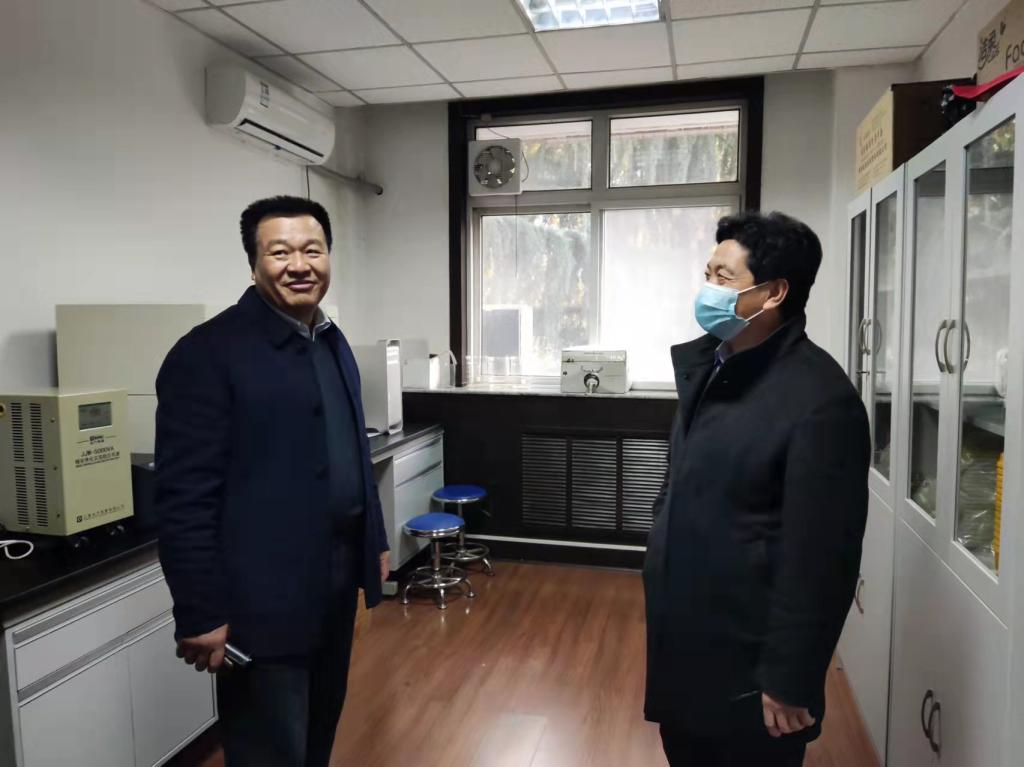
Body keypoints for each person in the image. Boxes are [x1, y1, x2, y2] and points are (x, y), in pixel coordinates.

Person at [155, 195, 390, 767]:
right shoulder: (208, 353)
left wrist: (375, 542)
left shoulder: (331, 340)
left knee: (317, 734)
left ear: (329, 256)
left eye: (313, 250)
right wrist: (200, 610)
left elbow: (353, 452)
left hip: (334, 584)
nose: (299, 265)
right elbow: (184, 498)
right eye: (280, 252)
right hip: (259, 598)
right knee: (269, 748)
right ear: (253, 263)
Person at [642, 211, 870, 766]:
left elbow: (822, 559)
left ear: (774, 293)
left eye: (724, 278)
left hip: (751, 668)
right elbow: (682, 481)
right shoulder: (712, 366)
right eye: (707, 274)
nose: (707, 289)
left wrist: (790, 678)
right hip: (688, 637)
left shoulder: (820, 400)